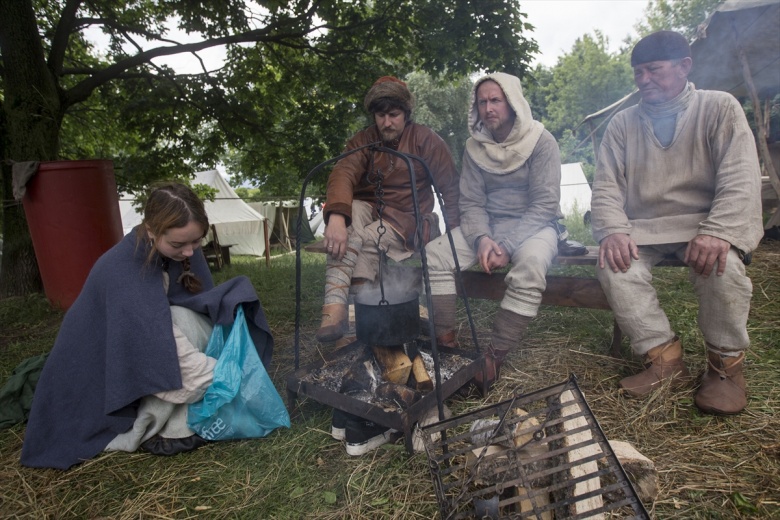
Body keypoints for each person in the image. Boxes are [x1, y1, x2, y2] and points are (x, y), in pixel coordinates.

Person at [21, 183, 275, 469]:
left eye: (197, 241)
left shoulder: (182, 250)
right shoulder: (123, 268)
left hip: (148, 341)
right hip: (96, 368)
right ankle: (159, 428)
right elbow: (160, 349)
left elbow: (200, 309)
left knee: (191, 319)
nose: (190, 252)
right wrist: (228, 379)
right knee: (178, 329)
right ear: (152, 231)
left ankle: (183, 417)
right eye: (179, 245)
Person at [591, 31, 763, 415]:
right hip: (643, 228)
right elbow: (606, 187)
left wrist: (718, 231)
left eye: (653, 70)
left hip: (704, 225)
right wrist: (614, 230)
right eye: (638, 73)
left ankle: (725, 368)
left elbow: (740, 177)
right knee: (615, 266)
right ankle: (665, 359)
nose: (644, 80)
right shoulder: (622, 124)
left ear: (684, 66)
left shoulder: (719, 107)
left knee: (725, 267)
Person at [425, 72, 563, 391]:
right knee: (435, 256)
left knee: (530, 266)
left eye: (495, 100)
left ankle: (495, 354)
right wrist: (482, 238)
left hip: (535, 226)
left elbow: (544, 204)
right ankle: (446, 345)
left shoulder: (542, 141)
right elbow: (471, 202)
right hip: (488, 227)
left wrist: (508, 245)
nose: (488, 108)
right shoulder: (474, 148)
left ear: (513, 103)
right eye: (482, 101)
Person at [316, 76, 461, 343]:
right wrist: (335, 217)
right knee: (352, 211)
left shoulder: (426, 141)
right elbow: (343, 172)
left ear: (406, 113)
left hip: (410, 220)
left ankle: (357, 314)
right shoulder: (364, 140)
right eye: (381, 115)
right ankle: (335, 310)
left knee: (360, 239)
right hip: (371, 212)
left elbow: (450, 189)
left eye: (394, 115)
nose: (387, 122)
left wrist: (455, 233)